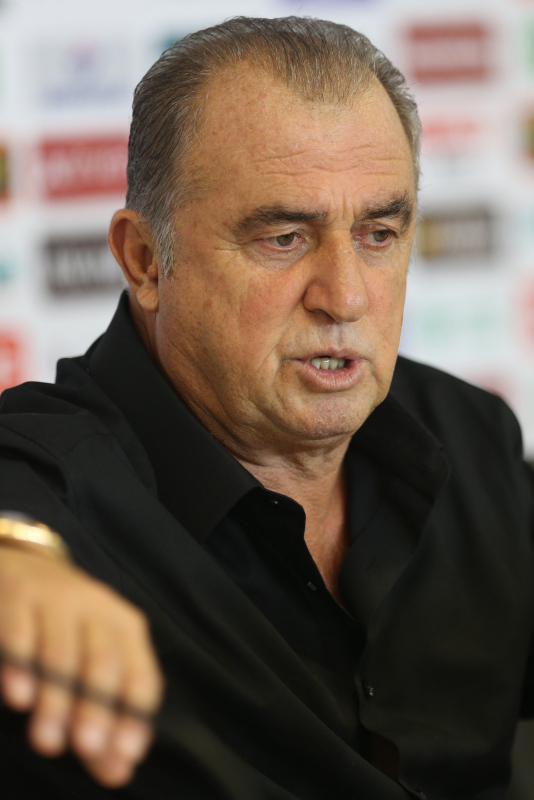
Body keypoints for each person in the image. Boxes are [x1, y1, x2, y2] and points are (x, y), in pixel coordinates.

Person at [0, 15, 532, 799]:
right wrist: (20, 568)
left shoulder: (470, 435)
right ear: (145, 261)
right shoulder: (54, 469)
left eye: (378, 233)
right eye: (284, 238)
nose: (345, 296)